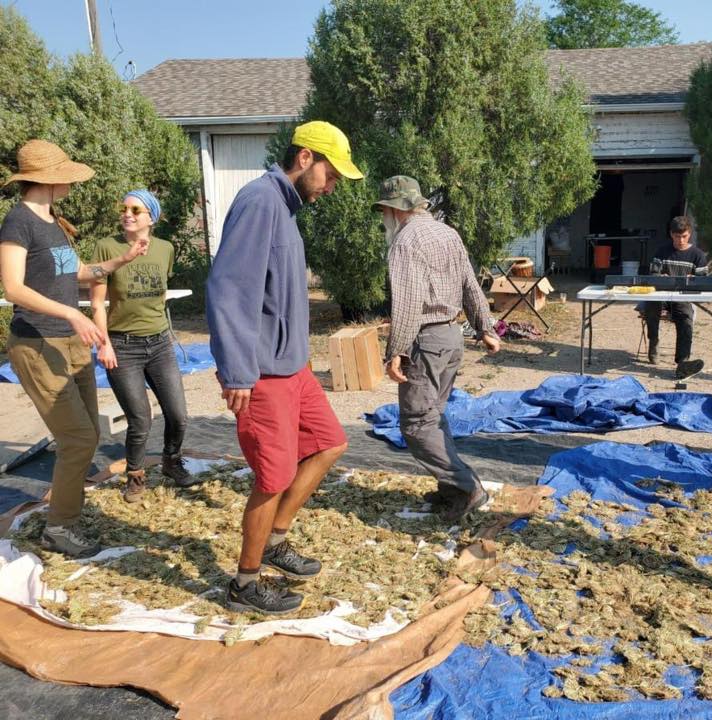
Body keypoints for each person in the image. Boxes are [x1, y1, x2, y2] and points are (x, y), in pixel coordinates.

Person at [206, 121, 362, 614]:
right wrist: (236, 372)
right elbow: (229, 290)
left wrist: (305, 358)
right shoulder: (259, 202)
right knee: (272, 478)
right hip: (262, 375)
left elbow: (280, 297)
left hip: (292, 368)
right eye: (332, 175)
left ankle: (275, 542)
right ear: (305, 159)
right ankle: (244, 585)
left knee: (330, 443)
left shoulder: (286, 210)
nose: (333, 186)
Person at [0, 140, 147, 557]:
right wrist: (73, 315)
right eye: (65, 174)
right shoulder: (17, 223)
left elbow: (76, 272)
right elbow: (13, 287)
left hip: (69, 343)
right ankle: (59, 528)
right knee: (79, 438)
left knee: (89, 434)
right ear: (49, 179)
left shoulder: (51, 222)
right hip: (38, 343)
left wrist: (121, 261)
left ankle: (68, 514)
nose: (71, 181)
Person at [376, 175, 500, 521]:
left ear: (394, 210)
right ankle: (451, 492)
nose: (384, 217)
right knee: (434, 416)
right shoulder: (448, 233)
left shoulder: (405, 242)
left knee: (416, 425)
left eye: (384, 210)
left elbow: (408, 303)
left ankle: (467, 487)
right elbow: (470, 285)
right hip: (451, 337)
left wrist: (396, 351)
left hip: (426, 341)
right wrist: (485, 327)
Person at [90, 189, 198, 504]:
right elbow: (97, 304)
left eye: (136, 210)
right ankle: (136, 477)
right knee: (140, 419)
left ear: (151, 217)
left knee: (178, 414)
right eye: (124, 208)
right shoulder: (106, 247)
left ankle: (171, 461)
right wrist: (104, 345)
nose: (127, 214)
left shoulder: (165, 249)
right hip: (123, 346)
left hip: (160, 343)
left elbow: (159, 294)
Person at [641, 216, 709, 379]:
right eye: (677, 236)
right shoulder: (662, 251)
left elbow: (704, 281)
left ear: (690, 234)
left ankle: (683, 361)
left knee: (686, 317)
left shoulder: (697, 255)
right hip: (661, 295)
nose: (680, 240)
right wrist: (659, 276)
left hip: (682, 296)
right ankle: (654, 342)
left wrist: (693, 280)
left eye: (684, 236)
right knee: (651, 305)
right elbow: (653, 274)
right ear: (671, 234)